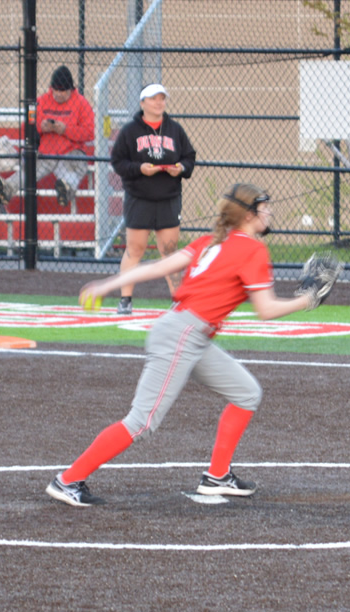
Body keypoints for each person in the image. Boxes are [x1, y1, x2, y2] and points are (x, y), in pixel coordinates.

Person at [46, 183, 312, 507]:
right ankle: (68, 480)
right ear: (248, 215)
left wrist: (109, 284)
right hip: (183, 335)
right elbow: (266, 310)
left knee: (246, 393)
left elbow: (157, 267)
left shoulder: (211, 242)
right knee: (142, 422)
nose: (269, 212)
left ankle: (217, 476)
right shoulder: (253, 250)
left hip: (187, 333)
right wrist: (307, 300)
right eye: (264, 207)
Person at [109, 82, 195, 316]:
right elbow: (118, 162)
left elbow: (189, 158)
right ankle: (125, 299)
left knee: (169, 250)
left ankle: (178, 300)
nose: (159, 103)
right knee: (135, 248)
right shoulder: (130, 131)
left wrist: (181, 168)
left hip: (168, 197)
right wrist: (139, 169)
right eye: (154, 98)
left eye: (162, 98)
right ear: (142, 102)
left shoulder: (174, 129)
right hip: (139, 198)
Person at [34, 65, 95, 209]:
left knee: (71, 169)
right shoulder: (42, 101)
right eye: (55, 90)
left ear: (70, 90)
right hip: (46, 153)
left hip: (71, 152)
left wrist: (66, 130)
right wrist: (40, 127)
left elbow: (90, 132)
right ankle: (6, 188)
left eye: (62, 91)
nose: (58, 94)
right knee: (27, 170)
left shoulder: (81, 103)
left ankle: (65, 190)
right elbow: (27, 126)